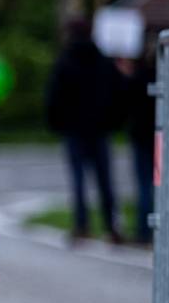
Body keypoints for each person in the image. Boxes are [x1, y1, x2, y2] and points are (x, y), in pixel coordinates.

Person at [47, 18, 124, 244]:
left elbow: (54, 96)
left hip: (74, 128)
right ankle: (111, 225)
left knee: (78, 179)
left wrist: (56, 123)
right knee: (105, 180)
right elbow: (119, 92)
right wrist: (114, 121)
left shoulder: (65, 61)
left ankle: (82, 225)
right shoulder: (103, 61)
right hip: (100, 128)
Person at [119, 49, 156, 245]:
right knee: (156, 183)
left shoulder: (137, 77)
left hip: (141, 136)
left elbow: (124, 101)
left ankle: (144, 230)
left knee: (144, 185)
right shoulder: (166, 75)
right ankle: (151, 228)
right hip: (157, 135)